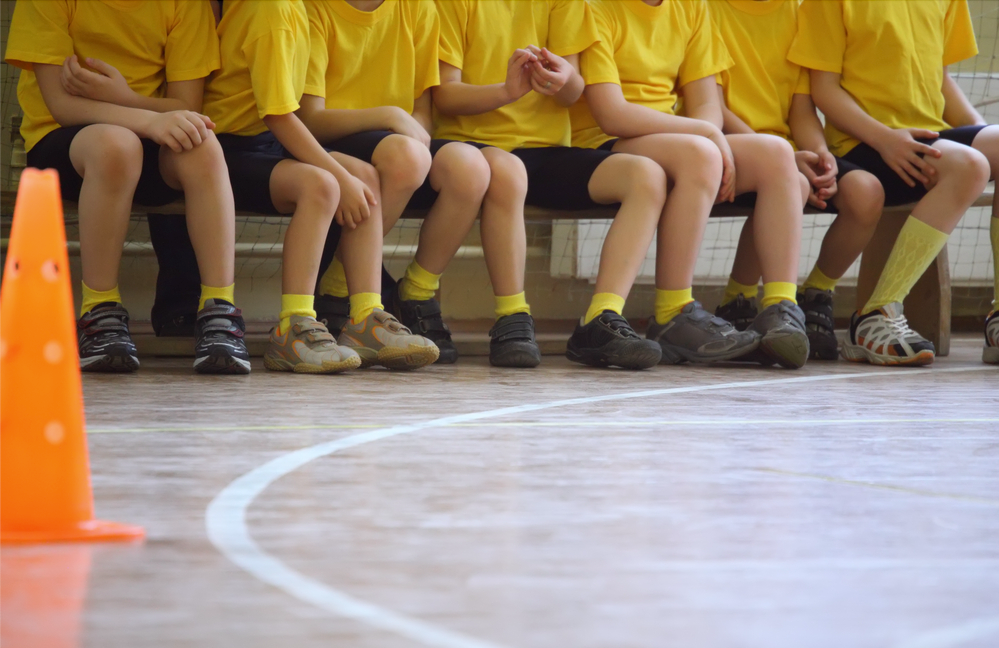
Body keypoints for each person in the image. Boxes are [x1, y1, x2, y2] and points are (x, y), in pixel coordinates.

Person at [5, 0, 250, 374]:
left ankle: (219, 312)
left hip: (149, 134)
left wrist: (135, 108)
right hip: (66, 143)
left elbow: (185, 104)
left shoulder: (186, 5)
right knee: (116, 146)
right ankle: (98, 310)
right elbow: (61, 105)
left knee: (203, 144)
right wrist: (147, 122)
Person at [204, 0, 439, 372]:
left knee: (363, 177)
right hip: (231, 148)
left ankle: (365, 317)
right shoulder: (274, 11)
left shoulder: (295, 6)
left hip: (268, 143)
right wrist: (338, 174)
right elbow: (280, 116)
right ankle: (293, 325)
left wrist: (348, 176)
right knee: (323, 186)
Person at [432, 0, 668, 370]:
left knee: (646, 177)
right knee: (509, 171)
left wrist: (561, 80)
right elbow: (445, 95)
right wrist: (507, 91)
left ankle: (600, 318)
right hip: (475, 149)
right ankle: (512, 316)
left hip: (549, 154)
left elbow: (572, 91)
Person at [574, 0, 809, 369]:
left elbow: (705, 104)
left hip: (677, 140)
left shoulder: (691, 7)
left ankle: (780, 308)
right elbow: (611, 114)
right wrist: (707, 135)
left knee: (777, 153)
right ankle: (672, 312)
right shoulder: (594, 7)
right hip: (602, 143)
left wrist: (708, 133)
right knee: (700, 154)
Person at [790, 0, 995, 366]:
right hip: (864, 145)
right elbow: (824, 89)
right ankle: (874, 316)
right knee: (969, 165)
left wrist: (985, 135)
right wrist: (886, 139)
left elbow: (941, 79)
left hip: (930, 138)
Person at [298, 0, 491, 365]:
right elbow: (310, 119)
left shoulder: (418, 9)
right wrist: (390, 116)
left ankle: (413, 294)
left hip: (397, 140)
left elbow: (421, 112)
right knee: (408, 156)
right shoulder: (313, 10)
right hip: (328, 141)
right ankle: (341, 295)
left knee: (470, 168)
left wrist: (410, 131)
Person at [709, 0, 885, 361]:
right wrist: (782, 157)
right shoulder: (704, 10)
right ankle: (737, 300)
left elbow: (801, 109)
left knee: (866, 191)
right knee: (791, 179)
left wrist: (821, 154)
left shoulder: (797, 13)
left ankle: (816, 295)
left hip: (787, 152)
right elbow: (711, 107)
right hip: (725, 143)